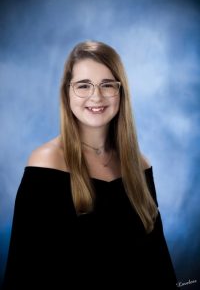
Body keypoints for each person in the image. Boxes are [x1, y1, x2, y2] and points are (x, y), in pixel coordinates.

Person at [2, 40, 178, 289]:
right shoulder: (46, 161)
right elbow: (23, 271)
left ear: (121, 93)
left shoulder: (139, 165)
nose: (96, 96)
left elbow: (160, 268)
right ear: (67, 92)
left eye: (107, 85)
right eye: (83, 85)